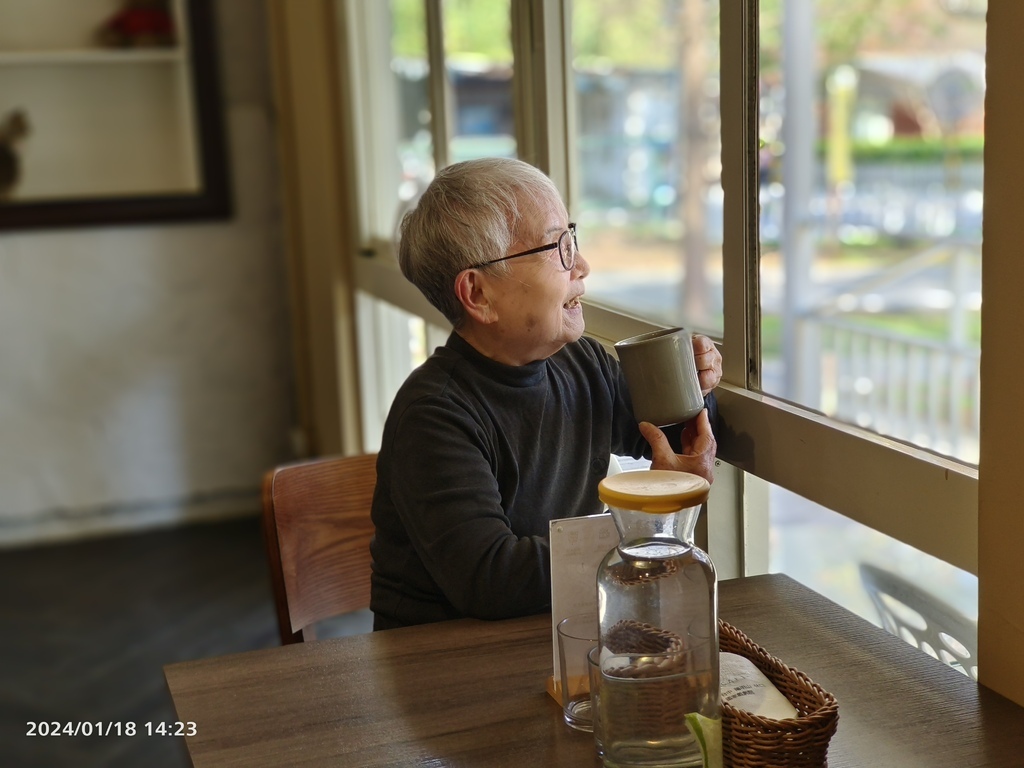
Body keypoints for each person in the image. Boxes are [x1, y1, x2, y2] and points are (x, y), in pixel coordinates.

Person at [369, 157, 722, 630]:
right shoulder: (434, 414)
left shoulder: (579, 364)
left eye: (571, 238)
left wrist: (695, 387)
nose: (582, 265)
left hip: (555, 631)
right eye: (556, 246)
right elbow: (492, 578)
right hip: (444, 662)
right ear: (478, 295)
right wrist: (646, 517)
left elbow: (671, 435)